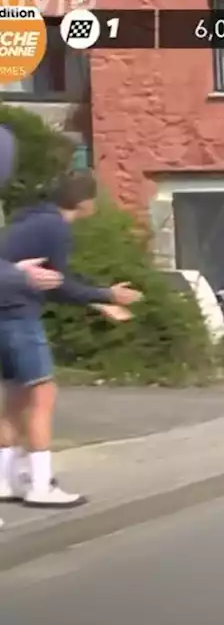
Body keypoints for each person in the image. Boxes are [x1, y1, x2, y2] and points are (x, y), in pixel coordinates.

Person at [0, 171, 142, 509]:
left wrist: (99, 301)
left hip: (3, 315)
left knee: (16, 399)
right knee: (42, 396)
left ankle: (4, 481)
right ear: (85, 202)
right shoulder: (56, 228)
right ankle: (39, 485)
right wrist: (108, 294)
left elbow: (57, 282)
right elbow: (61, 284)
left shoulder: (31, 221)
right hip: (19, 316)